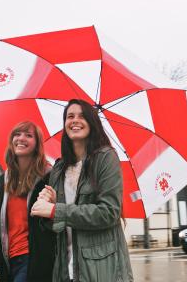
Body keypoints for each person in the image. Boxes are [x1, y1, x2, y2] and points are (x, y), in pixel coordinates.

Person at [31, 99, 134, 282]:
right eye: (70, 116)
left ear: (92, 123)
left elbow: (109, 212)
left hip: (100, 269)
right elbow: (56, 227)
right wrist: (49, 207)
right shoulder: (59, 167)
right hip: (66, 268)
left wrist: (56, 210)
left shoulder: (105, 158)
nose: (75, 120)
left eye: (82, 116)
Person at [0, 121, 55, 282]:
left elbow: (56, 226)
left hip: (34, 261)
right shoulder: (5, 181)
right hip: (8, 262)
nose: (21, 138)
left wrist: (53, 204)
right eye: (17, 134)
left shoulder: (48, 177)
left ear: (37, 144)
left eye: (29, 135)